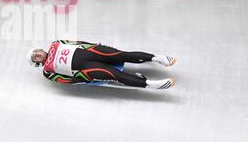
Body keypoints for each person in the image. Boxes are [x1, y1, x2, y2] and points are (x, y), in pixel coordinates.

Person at [27, 40, 177, 90]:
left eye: (36, 52)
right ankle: (150, 84)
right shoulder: (47, 72)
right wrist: (86, 80)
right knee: (115, 75)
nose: (38, 55)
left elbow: (77, 43)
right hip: (85, 70)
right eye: (36, 58)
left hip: (91, 52)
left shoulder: (56, 43)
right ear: (38, 63)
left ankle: (157, 58)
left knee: (123, 55)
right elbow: (66, 80)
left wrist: (94, 45)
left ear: (39, 49)